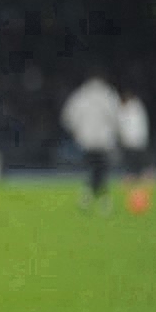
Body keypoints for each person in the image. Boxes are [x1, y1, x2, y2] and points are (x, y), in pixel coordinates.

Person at [60, 69, 120, 211]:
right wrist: (116, 133)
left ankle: (91, 197)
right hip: (104, 140)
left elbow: (67, 116)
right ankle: (99, 199)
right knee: (101, 169)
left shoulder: (81, 95)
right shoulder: (108, 94)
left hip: (86, 140)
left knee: (94, 169)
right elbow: (116, 116)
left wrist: (76, 132)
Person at [116, 85, 153, 211]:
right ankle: (138, 179)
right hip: (138, 141)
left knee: (134, 163)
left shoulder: (131, 108)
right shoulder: (137, 107)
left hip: (133, 141)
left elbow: (125, 125)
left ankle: (137, 180)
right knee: (137, 162)